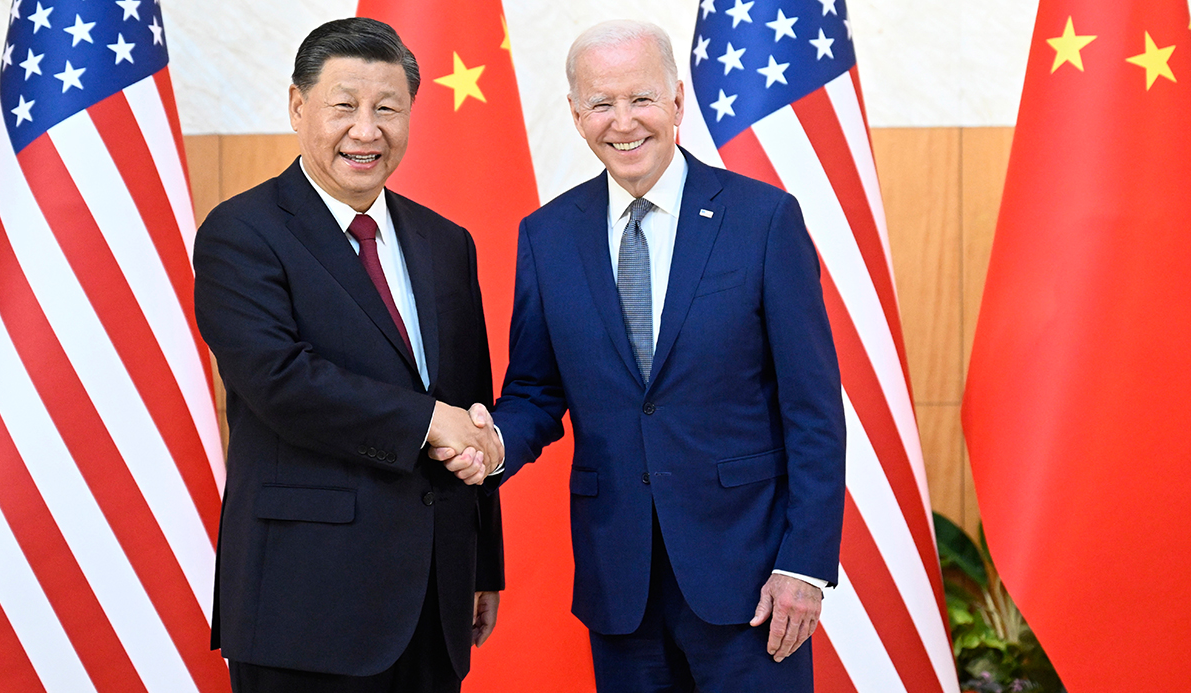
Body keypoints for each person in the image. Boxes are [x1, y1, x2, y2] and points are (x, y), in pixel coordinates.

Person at [440, 19, 846, 692]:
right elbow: (537, 390)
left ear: (677, 101)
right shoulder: (547, 235)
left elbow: (814, 409)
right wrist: (491, 445)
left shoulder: (763, 219)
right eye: (601, 103)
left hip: (750, 579)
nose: (623, 122)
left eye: (642, 99)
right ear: (577, 115)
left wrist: (803, 565)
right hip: (619, 582)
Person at [192, 17, 505, 693]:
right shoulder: (241, 233)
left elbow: (470, 407)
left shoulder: (446, 242)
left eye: (387, 109)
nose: (367, 131)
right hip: (305, 604)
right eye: (344, 106)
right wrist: (428, 421)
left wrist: (483, 565)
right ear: (298, 106)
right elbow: (280, 381)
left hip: (435, 599)